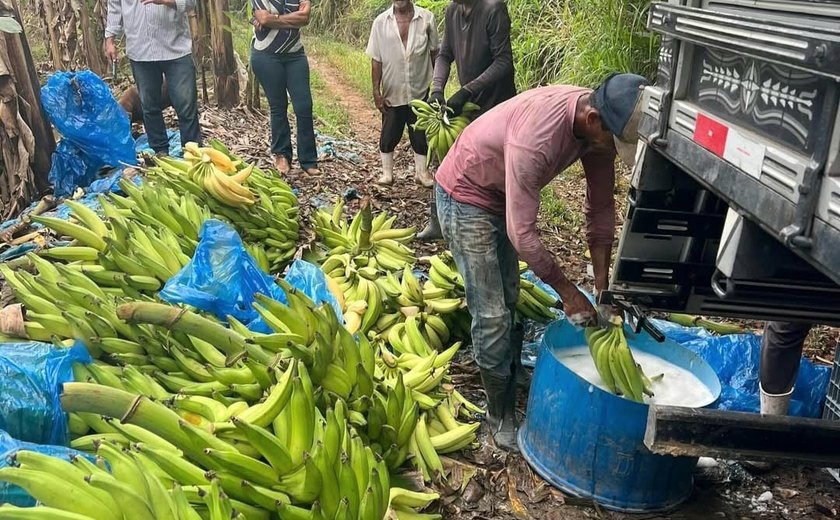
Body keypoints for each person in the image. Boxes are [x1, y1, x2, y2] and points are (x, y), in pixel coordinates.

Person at [435, 73, 648, 451]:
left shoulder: (596, 129)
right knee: (492, 314)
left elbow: (600, 211)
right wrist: (567, 291)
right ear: (593, 120)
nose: (614, 152)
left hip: (501, 193)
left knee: (511, 297)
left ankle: (510, 374)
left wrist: (602, 290)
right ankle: (498, 414)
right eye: (614, 144)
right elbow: (523, 235)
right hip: (466, 193)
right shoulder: (538, 138)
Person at [416, 0, 516, 240]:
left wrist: (467, 90)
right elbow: (444, 55)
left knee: (492, 171)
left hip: (497, 105)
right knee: (449, 158)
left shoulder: (493, 9)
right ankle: (439, 220)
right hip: (470, 105)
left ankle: (501, 231)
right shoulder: (453, 11)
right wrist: (437, 89)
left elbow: (503, 61)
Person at [104, 0, 201, 156]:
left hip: (176, 47)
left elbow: (191, 3)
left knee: (186, 105)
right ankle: (161, 153)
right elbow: (115, 5)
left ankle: (194, 154)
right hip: (140, 49)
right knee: (149, 106)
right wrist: (110, 39)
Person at [366, 0, 439, 187]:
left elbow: (434, 54)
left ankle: (422, 173)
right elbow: (376, 60)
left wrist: (437, 86)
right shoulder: (380, 23)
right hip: (393, 90)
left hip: (419, 89)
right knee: (389, 131)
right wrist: (376, 90)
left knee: (419, 133)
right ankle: (387, 173)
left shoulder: (427, 19)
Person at [250, 0, 320, 175]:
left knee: (304, 105)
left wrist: (275, 20)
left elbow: (305, 18)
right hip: (266, 56)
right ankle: (282, 155)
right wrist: (290, 19)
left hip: (295, 55)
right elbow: (263, 19)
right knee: (278, 105)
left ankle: (308, 160)